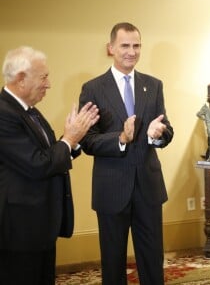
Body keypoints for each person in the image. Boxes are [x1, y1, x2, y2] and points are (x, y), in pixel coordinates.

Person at [79, 22, 174, 285]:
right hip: (111, 188)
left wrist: (158, 134)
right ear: (111, 48)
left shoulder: (153, 85)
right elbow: (87, 140)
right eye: (125, 46)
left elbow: (167, 130)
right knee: (112, 261)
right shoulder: (93, 88)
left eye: (136, 45)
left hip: (148, 187)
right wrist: (120, 139)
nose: (131, 52)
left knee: (153, 259)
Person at [0, 46, 99, 285]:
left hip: (40, 223)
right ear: (21, 79)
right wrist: (69, 139)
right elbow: (37, 164)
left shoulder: (29, 112)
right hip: (20, 228)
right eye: (43, 77)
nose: (49, 84)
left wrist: (73, 143)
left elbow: (49, 154)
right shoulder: (4, 113)